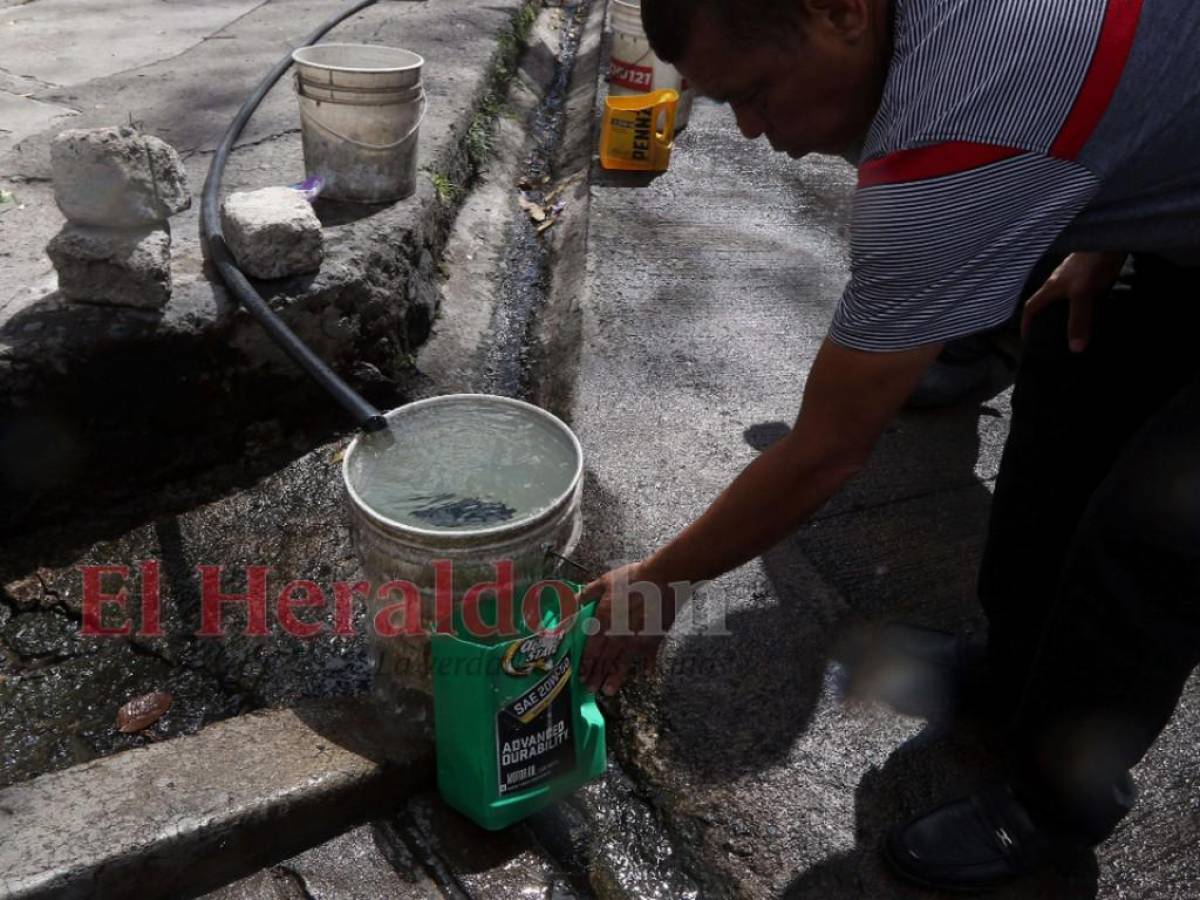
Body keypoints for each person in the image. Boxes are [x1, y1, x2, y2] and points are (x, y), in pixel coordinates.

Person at [578, 0, 1200, 891]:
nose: (754, 132)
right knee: (1068, 386)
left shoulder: (944, 146)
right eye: (726, 107)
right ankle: (1014, 675)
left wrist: (658, 576)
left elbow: (830, 448)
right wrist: (1117, 222)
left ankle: (1057, 799)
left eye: (756, 93)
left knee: (1154, 531)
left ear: (842, 14)